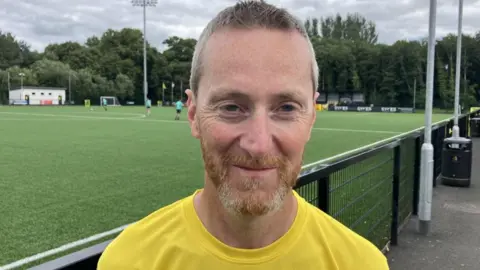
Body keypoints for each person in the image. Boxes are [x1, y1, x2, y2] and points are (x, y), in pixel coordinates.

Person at [97, 1, 389, 269]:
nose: (258, 144)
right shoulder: (126, 261)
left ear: (311, 117)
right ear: (193, 115)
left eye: (286, 107)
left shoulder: (362, 264)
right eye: (232, 107)